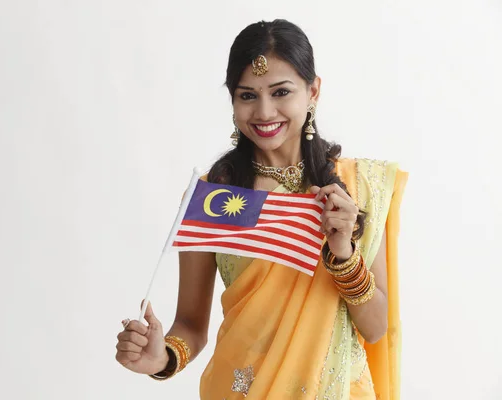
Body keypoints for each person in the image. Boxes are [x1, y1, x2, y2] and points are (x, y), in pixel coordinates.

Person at [115, 19, 407, 400]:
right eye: (247, 96)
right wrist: (162, 357)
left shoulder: (360, 187)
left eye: (281, 92)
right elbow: (190, 324)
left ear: (313, 90)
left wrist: (345, 256)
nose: (265, 112)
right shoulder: (214, 196)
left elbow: (375, 329)